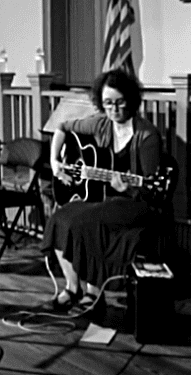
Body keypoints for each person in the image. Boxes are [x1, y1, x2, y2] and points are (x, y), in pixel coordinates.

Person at [40, 69, 163, 314]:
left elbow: (152, 191)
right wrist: (55, 163)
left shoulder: (146, 135)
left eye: (119, 102)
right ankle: (73, 288)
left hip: (135, 203)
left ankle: (95, 295)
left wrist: (129, 189)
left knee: (87, 223)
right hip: (101, 197)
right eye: (108, 103)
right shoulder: (101, 123)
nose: (114, 109)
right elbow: (62, 128)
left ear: (131, 100)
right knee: (59, 218)